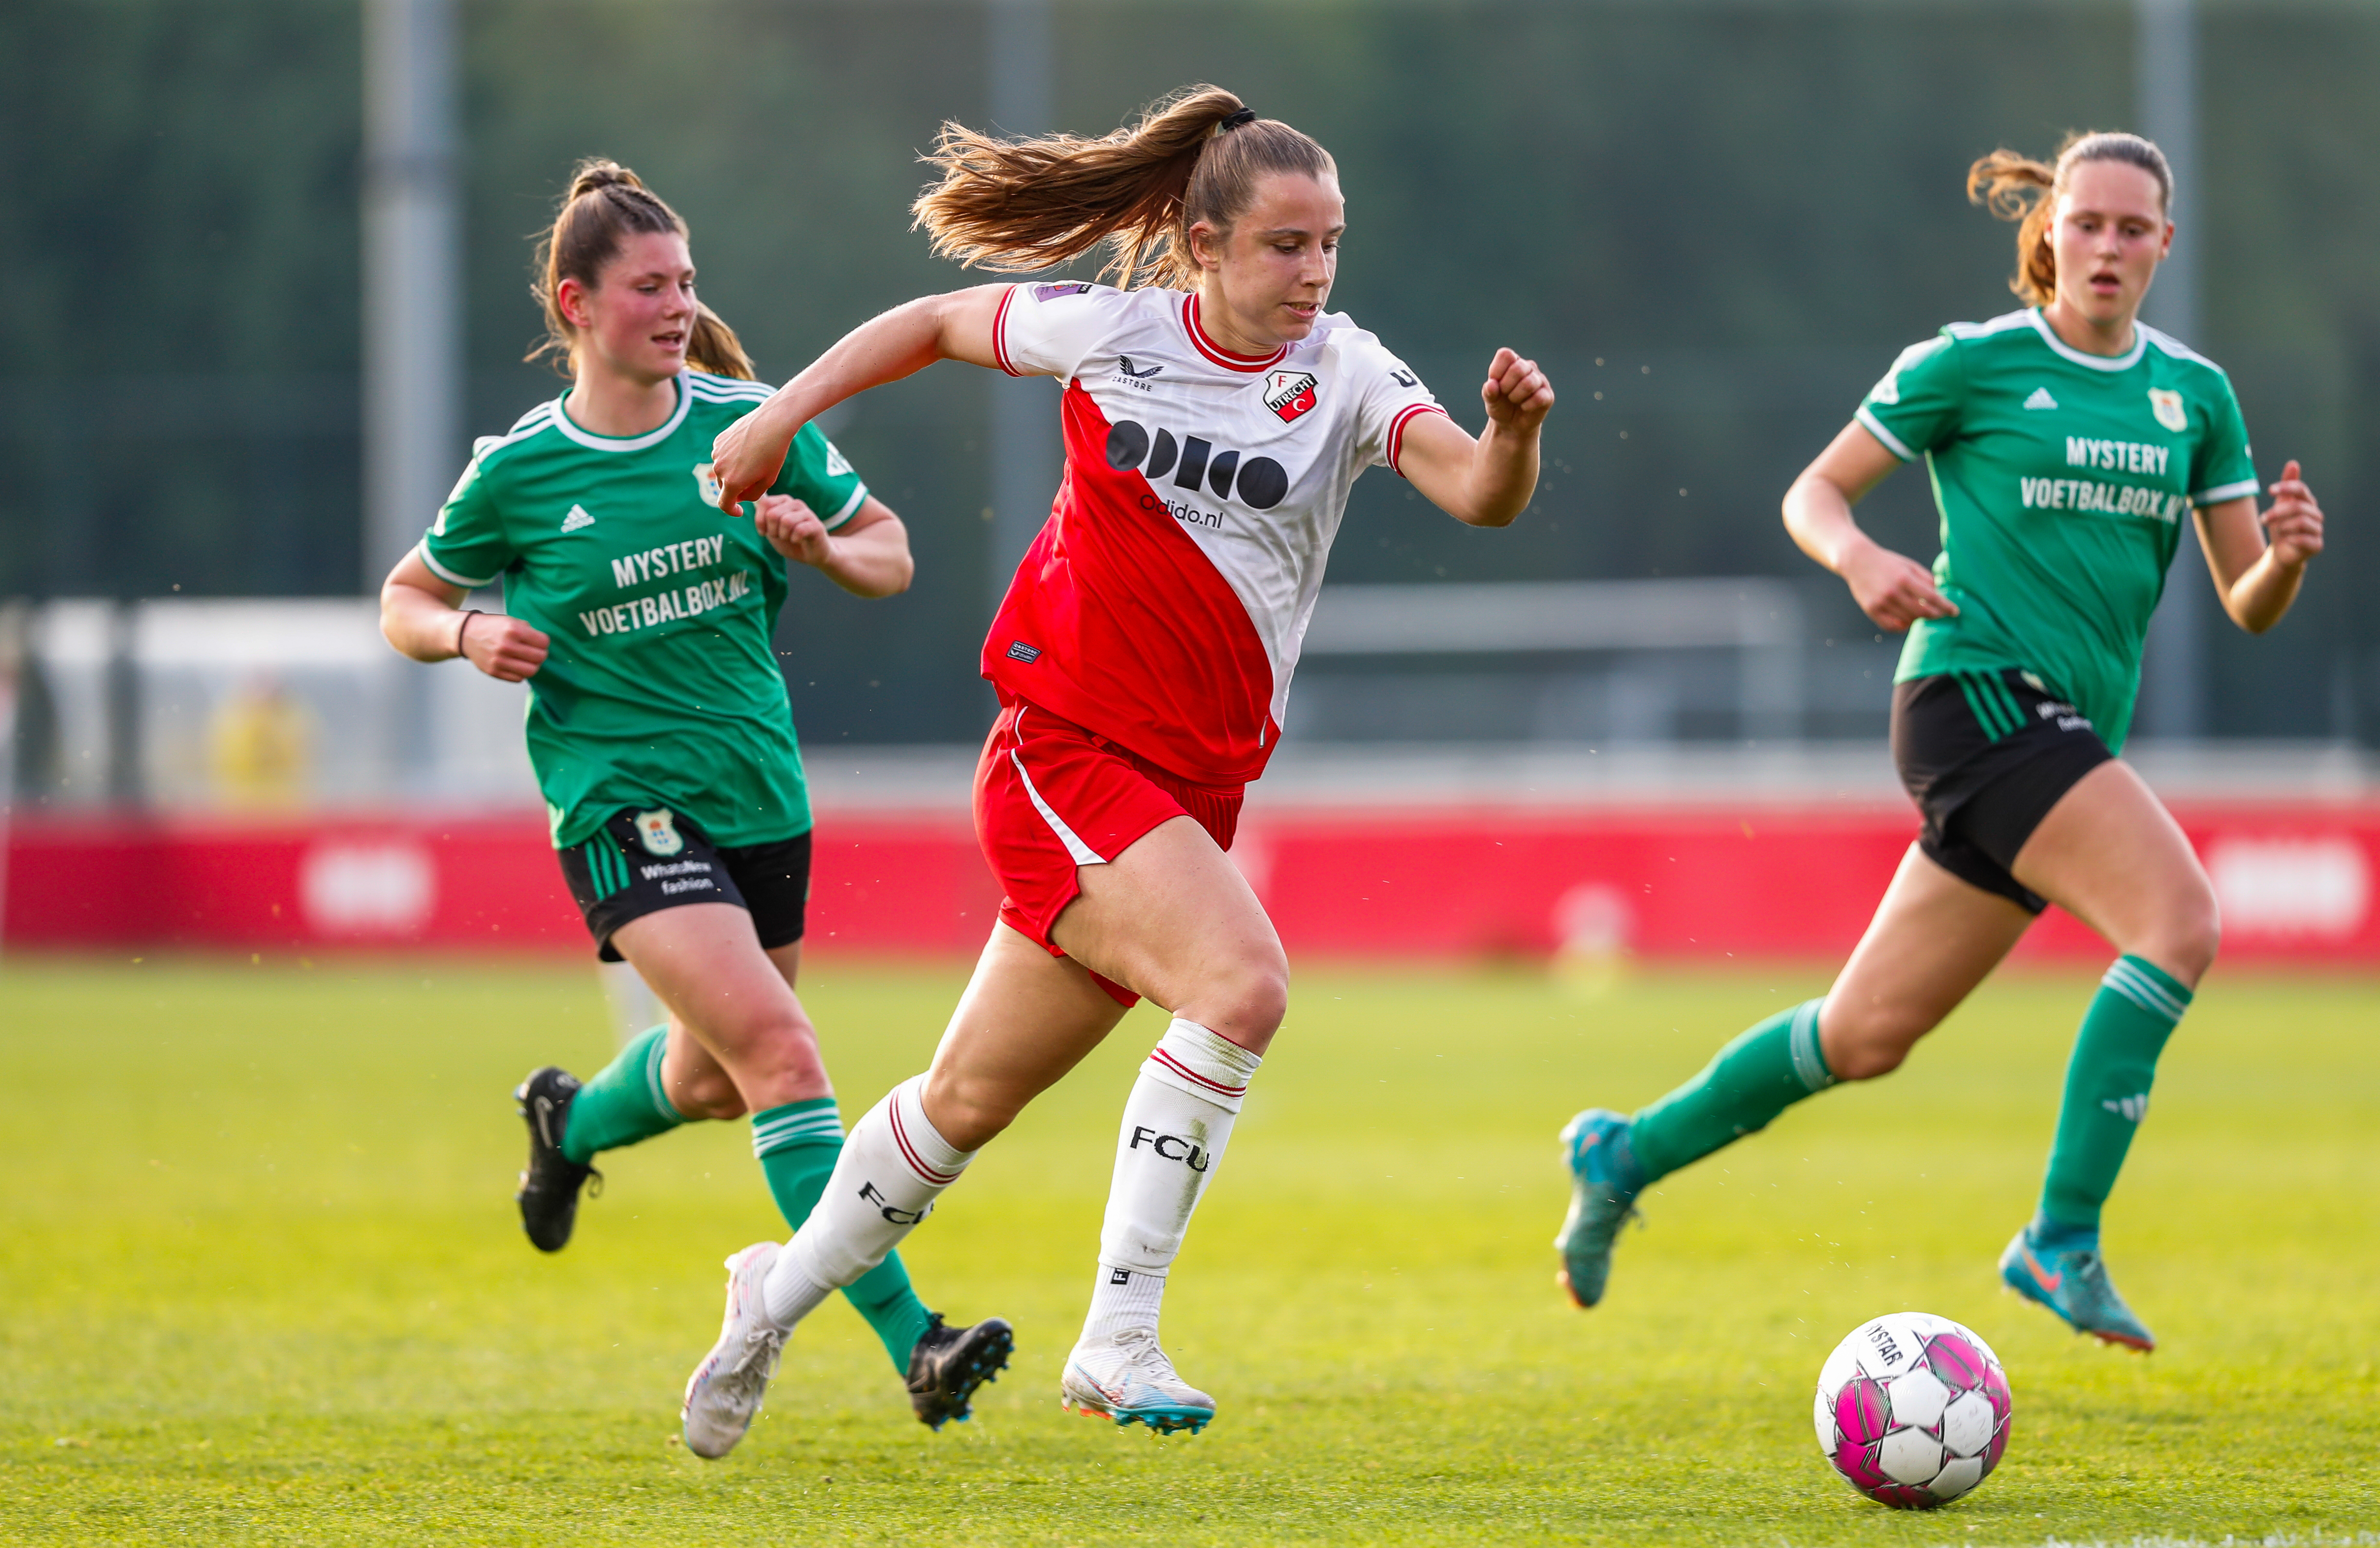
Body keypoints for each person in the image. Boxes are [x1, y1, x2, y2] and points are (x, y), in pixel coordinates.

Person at [675, 86, 1554, 1457]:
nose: (1314, 272)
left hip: (1189, 789)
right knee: (1242, 984)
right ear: (1200, 247)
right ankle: (1118, 1332)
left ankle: (768, 1294)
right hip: (1062, 744)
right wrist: (782, 410)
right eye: (1283, 245)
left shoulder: (1350, 372)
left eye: (1330, 243)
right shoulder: (1116, 330)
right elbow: (926, 322)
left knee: (962, 1101)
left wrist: (1513, 435)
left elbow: (1477, 493)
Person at [1551, 133, 2325, 1353]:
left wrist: (2279, 554)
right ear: (2049, 233)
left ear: (2165, 245)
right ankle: (2059, 1237)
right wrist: (1859, 559)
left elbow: (2247, 600)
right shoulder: (1973, 365)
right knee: (2179, 923)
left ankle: (1622, 1154)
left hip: (2053, 741)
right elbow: (1816, 492)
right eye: (2088, 224)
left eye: (2134, 229)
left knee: (1862, 1038)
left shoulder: (2196, 395)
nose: (2109, 247)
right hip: (1972, 698)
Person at [377, 160, 1014, 1429]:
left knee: (719, 1076)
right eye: (648, 286)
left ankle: (569, 1121)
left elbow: (891, 556)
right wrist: (465, 638)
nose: (677, 305)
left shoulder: (748, 426)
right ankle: (916, 1341)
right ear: (577, 302)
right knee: (781, 1056)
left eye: (687, 282)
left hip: (758, 795)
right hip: (620, 805)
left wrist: (823, 546)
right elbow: (407, 598)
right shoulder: (520, 472)